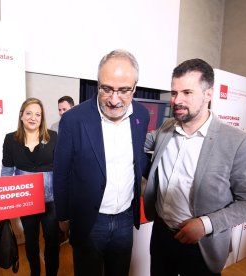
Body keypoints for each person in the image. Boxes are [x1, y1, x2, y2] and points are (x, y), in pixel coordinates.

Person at [143, 58, 246, 275]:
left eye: (187, 93)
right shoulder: (165, 128)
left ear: (209, 94)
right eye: (174, 93)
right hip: (162, 235)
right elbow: (136, 143)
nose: (177, 100)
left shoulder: (238, 141)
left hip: (203, 244)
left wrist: (205, 224)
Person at [53, 49, 150, 276]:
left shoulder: (142, 115)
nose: (114, 99)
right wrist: (64, 217)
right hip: (88, 220)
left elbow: (138, 159)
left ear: (135, 87)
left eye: (124, 90)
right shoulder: (73, 120)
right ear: (98, 83)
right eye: (106, 88)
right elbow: (61, 172)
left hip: (126, 219)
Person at [1, 97, 59, 276]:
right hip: (26, 203)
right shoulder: (11, 139)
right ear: (21, 116)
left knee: (52, 241)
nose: (33, 118)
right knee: (31, 241)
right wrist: (6, 200)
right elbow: (6, 171)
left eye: (38, 114)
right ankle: (35, 273)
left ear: (42, 119)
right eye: (29, 113)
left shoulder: (53, 137)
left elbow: (62, 169)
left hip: (51, 203)